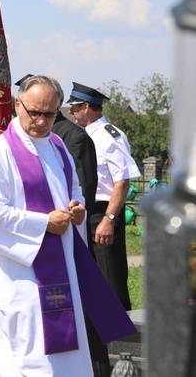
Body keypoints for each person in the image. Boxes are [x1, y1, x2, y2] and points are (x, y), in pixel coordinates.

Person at [0, 75, 135, 376]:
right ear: (17, 105)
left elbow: (74, 188)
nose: (41, 120)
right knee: (25, 346)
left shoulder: (58, 146)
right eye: (34, 111)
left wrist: (76, 208)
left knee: (66, 341)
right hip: (21, 270)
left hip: (60, 261)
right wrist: (43, 223)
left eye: (49, 113)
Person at [66, 82, 141, 311]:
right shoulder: (81, 135)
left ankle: (122, 338)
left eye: (75, 107)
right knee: (88, 275)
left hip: (103, 213)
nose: (70, 111)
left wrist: (109, 219)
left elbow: (122, 181)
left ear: (87, 107)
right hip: (82, 213)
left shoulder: (111, 137)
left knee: (110, 275)